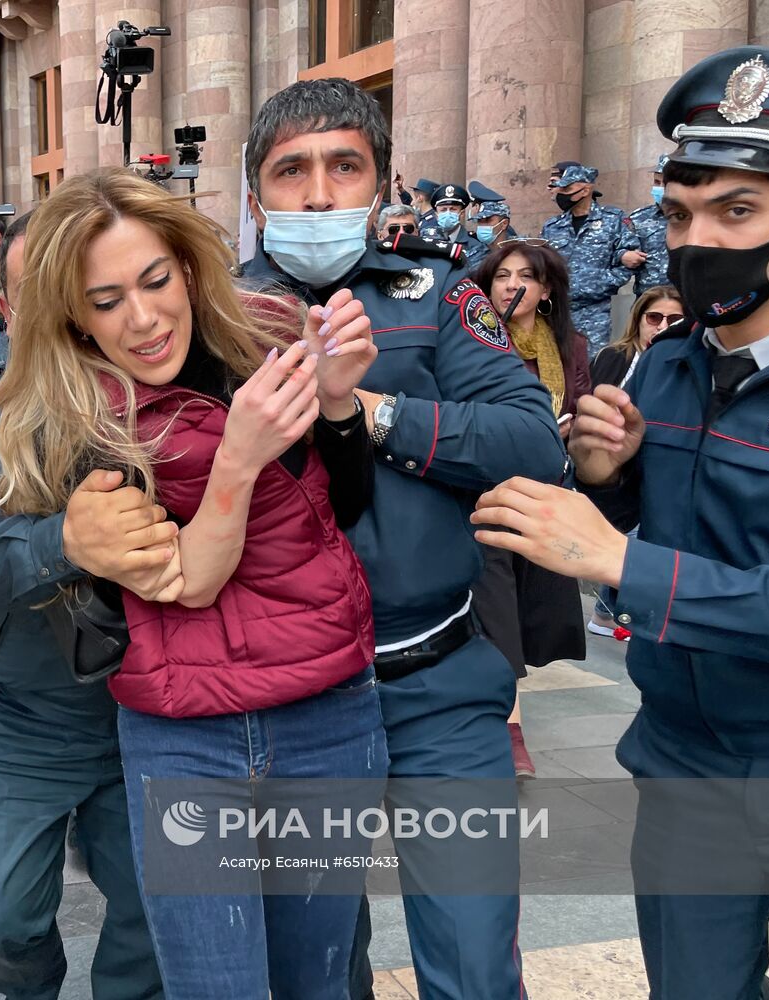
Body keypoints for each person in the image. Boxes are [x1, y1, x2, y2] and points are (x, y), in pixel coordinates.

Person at [473, 46, 769, 1000]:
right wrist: (611, 482)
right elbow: (682, 523)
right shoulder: (663, 364)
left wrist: (615, 557)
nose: (696, 241)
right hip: (685, 762)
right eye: (680, 214)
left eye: (736, 211)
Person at [0, 168, 386, 997]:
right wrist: (238, 458)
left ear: (188, 263)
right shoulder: (74, 412)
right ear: (70, 312)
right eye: (104, 301)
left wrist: (341, 402)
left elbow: (338, 505)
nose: (140, 319)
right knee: (216, 984)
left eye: (154, 280)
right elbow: (186, 582)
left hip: (326, 703)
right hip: (186, 733)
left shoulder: (262, 337)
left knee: (321, 975)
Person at [239, 77, 565, 1000]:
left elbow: (532, 442)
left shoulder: (433, 297)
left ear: (380, 184)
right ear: (256, 195)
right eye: (290, 171)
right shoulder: (213, 316)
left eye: (344, 167)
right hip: (292, 699)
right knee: (316, 970)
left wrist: (372, 410)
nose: (315, 194)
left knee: (472, 965)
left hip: (439, 686)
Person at [0, 209, 164, 998]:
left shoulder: (166, 373)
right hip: (10, 714)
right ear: (9, 303)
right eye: (40, 292)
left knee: (166, 911)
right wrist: (64, 542)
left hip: (154, 707)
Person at [472, 241, 590, 778]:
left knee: (525, 607)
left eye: (523, 276)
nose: (509, 285)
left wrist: (570, 431)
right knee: (495, 600)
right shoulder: (472, 341)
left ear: (545, 291)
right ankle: (509, 722)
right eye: (500, 275)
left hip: (544, 486)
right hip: (483, 488)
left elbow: (580, 406)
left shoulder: (570, 348)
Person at [585, 285, 684, 640]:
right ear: (639, 321)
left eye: (674, 319)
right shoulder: (616, 356)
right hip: (616, 468)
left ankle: (610, 610)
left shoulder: (684, 364)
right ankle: (610, 611)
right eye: (654, 318)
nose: (661, 326)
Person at [541, 163, 645, 357]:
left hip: (594, 314)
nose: (561, 194)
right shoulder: (552, 226)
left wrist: (596, 284)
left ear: (586, 189)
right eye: (560, 189)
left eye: (567, 189)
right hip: (558, 312)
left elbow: (630, 261)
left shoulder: (613, 220)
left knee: (589, 372)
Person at [626, 154, 674, 295]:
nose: (659, 187)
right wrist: (625, 255)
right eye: (656, 182)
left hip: (684, 300)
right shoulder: (639, 218)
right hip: (647, 298)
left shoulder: (694, 217)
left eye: (664, 183)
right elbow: (620, 251)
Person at [422, 183, 487, 269]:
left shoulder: (476, 246)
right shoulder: (425, 241)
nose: (448, 213)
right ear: (436, 215)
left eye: (453, 209)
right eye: (443, 210)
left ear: (462, 213)